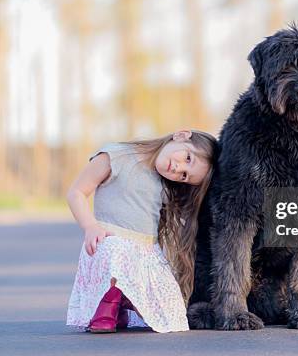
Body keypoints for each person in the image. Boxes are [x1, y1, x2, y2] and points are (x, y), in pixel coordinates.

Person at [66, 130, 217, 333]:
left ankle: (122, 299)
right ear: (181, 135)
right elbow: (76, 193)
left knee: (173, 318)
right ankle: (108, 302)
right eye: (187, 158)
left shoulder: (165, 183)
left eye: (184, 176)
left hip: (145, 255)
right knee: (116, 251)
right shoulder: (116, 156)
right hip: (110, 247)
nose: (178, 169)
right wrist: (90, 226)